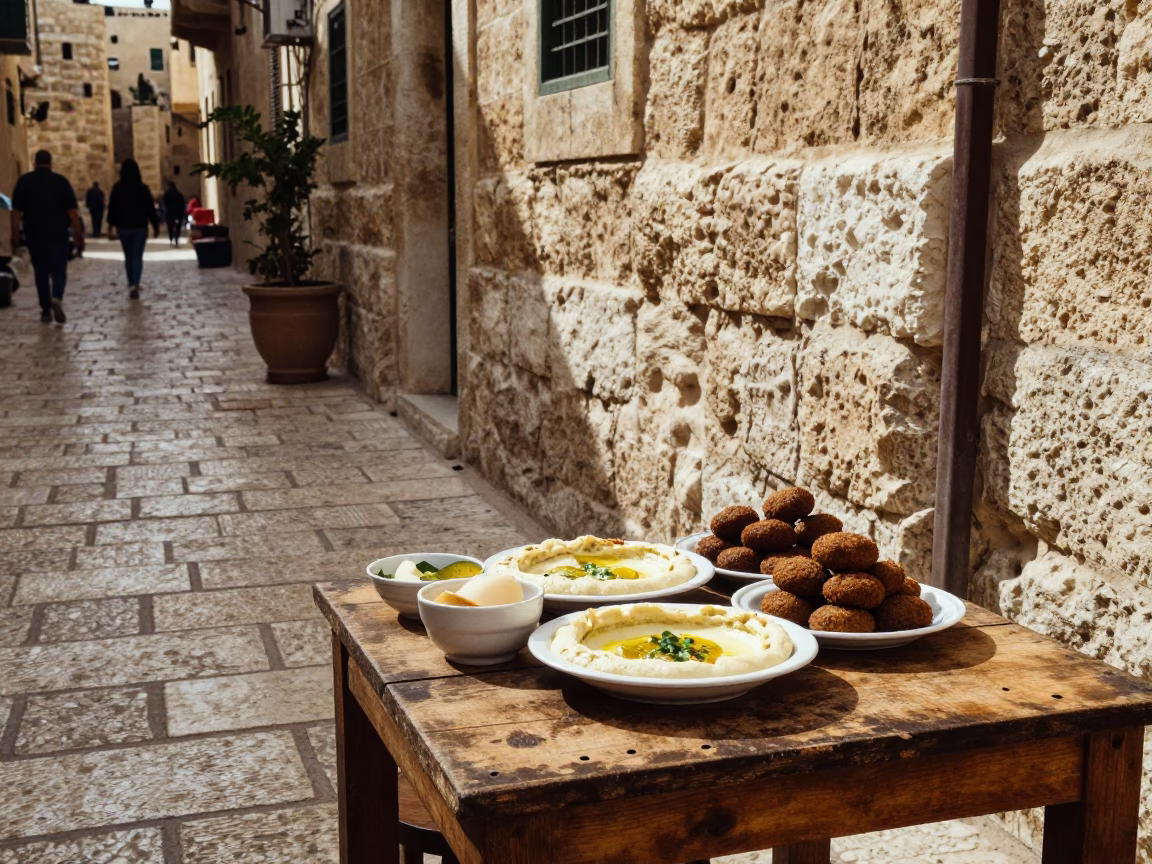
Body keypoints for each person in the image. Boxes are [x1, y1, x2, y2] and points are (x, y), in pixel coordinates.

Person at [10, 150, 85, 324]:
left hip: (34, 233)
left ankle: (45, 310)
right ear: (51, 163)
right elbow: (72, 211)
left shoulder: (24, 182)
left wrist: (14, 232)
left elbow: (16, 212)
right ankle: (57, 296)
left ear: (34, 162)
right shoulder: (61, 182)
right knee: (59, 268)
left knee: (41, 272)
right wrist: (79, 232)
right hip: (58, 233)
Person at [106, 159, 158, 300]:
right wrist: (155, 225)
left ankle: (131, 282)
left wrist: (110, 227)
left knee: (128, 256)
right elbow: (150, 209)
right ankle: (135, 282)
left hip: (123, 227)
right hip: (140, 227)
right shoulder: (143, 188)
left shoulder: (117, 188)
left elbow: (112, 209)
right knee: (137, 256)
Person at [162, 182, 186, 246]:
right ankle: (176, 238)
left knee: (170, 227)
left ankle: (171, 238)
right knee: (178, 227)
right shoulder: (179, 194)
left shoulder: (166, 194)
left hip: (169, 213)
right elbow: (183, 204)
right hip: (178, 213)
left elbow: (164, 204)